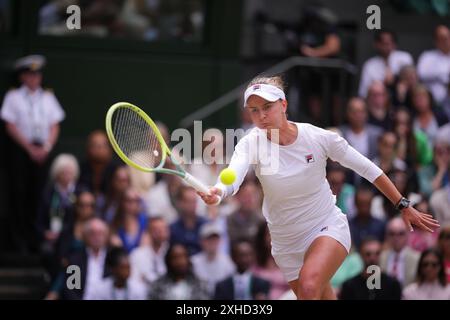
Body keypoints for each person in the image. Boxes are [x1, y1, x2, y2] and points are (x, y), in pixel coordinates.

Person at [198, 75, 440, 300]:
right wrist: (219, 191)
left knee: (309, 286)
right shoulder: (251, 142)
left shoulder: (318, 138)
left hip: (325, 225)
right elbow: (234, 174)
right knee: (318, 294)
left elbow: (368, 169)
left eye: (267, 107)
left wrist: (403, 204)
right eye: (254, 111)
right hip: (285, 242)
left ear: (283, 105)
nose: (261, 116)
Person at [1, 54, 65, 252]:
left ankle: (36, 238)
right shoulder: (13, 96)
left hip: (43, 151)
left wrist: (45, 148)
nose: (34, 78)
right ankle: (17, 239)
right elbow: (10, 125)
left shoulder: (48, 97)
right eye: (29, 74)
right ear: (22, 77)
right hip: (21, 151)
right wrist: (29, 149)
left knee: (40, 193)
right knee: (19, 193)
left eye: (37, 74)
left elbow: (55, 125)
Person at [358, 29, 413, 99]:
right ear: (376, 44)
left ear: (394, 44)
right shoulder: (369, 65)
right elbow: (363, 93)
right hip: (379, 101)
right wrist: (382, 84)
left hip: (405, 99)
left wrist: (397, 81)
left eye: (390, 43)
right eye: (384, 43)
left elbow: (414, 83)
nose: (387, 47)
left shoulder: (405, 58)